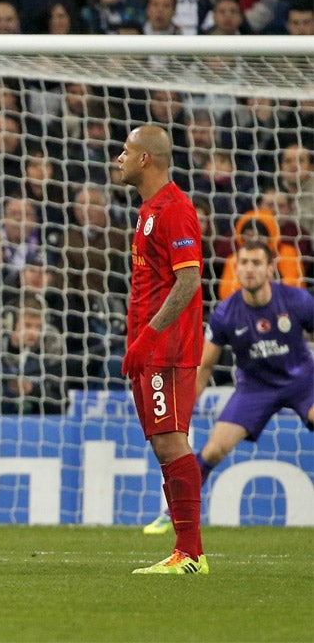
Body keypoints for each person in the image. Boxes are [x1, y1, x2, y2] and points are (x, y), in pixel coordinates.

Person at [143, 242, 314, 536]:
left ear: (270, 269)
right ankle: (174, 511)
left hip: (302, 380)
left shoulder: (298, 301)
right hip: (255, 388)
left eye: (256, 263)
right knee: (214, 449)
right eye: (244, 263)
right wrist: (183, 413)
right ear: (236, 269)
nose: (249, 269)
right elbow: (205, 366)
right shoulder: (226, 313)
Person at [115, 124, 209, 575]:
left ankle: (190, 554)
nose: (120, 157)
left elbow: (189, 280)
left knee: (171, 442)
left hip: (167, 350)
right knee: (163, 444)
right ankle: (186, 551)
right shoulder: (148, 210)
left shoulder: (173, 210)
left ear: (146, 159)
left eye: (127, 150)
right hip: (151, 349)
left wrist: (149, 338)